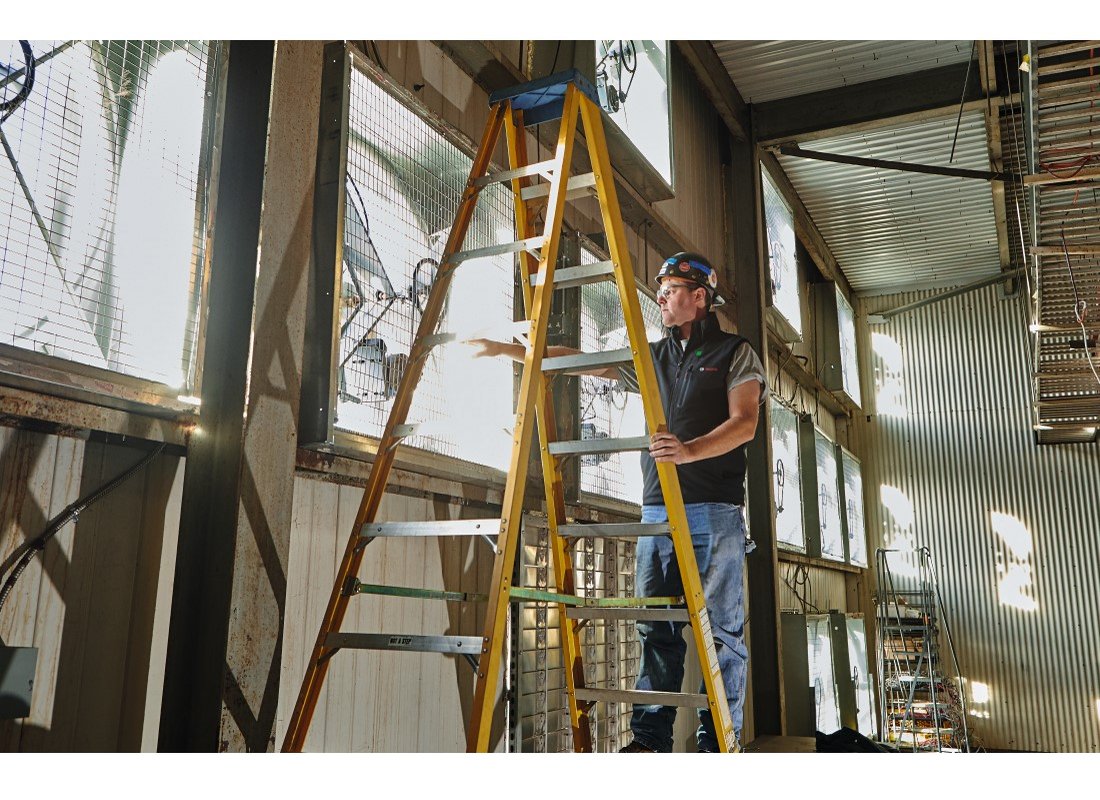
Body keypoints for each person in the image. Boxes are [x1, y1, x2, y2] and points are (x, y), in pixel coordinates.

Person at [468, 251, 768, 753]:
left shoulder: (735, 353)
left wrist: (689, 451)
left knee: (722, 634)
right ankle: (649, 741)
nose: (661, 299)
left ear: (699, 297)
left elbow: (745, 423)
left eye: (670, 290)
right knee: (656, 629)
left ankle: (719, 743)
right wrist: (507, 350)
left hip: (713, 512)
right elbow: (585, 361)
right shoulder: (652, 357)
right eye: (661, 290)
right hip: (657, 512)